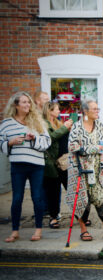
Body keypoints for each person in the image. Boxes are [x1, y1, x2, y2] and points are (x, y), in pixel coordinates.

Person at [0, 91, 51, 242]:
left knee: (37, 197)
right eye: (24, 102)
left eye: (29, 102)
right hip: (18, 165)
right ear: (16, 105)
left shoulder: (37, 121)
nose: (28, 105)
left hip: (36, 166)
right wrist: (10, 142)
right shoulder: (7, 123)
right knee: (17, 198)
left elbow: (47, 142)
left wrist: (35, 139)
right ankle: (15, 231)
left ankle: (38, 230)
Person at [65, 98, 103, 242]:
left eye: (97, 109)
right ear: (85, 111)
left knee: (101, 199)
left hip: (97, 170)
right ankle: (83, 230)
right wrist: (93, 149)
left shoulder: (100, 126)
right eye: (94, 109)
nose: (97, 111)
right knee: (83, 201)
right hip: (79, 170)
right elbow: (72, 147)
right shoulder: (77, 127)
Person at [42, 101, 73, 229]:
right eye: (57, 109)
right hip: (51, 164)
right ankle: (53, 217)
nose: (59, 111)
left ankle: (81, 215)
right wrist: (64, 128)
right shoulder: (43, 124)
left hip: (64, 163)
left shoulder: (58, 123)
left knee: (70, 189)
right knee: (53, 192)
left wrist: (67, 129)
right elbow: (50, 138)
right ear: (49, 111)